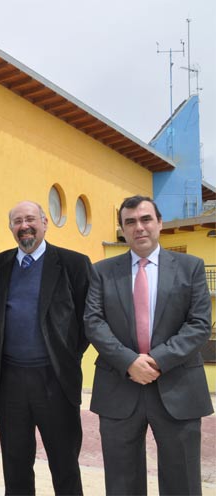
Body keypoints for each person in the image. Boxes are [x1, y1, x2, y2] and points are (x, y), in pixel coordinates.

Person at [85, 195, 213, 495]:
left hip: (178, 387)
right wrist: (129, 362)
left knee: (182, 483)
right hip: (119, 387)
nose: (139, 227)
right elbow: (93, 322)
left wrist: (156, 360)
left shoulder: (190, 267)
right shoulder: (101, 271)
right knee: (122, 484)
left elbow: (199, 324)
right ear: (123, 229)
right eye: (130, 222)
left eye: (145, 219)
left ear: (159, 223)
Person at [0, 201, 91, 495]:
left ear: (45, 223)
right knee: (15, 466)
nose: (24, 226)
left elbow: (87, 319)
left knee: (64, 464)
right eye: (17, 221)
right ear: (11, 227)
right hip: (10, 382)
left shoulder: (73, 263)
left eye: (31, 219)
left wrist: (65, 356)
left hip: (55, 380)